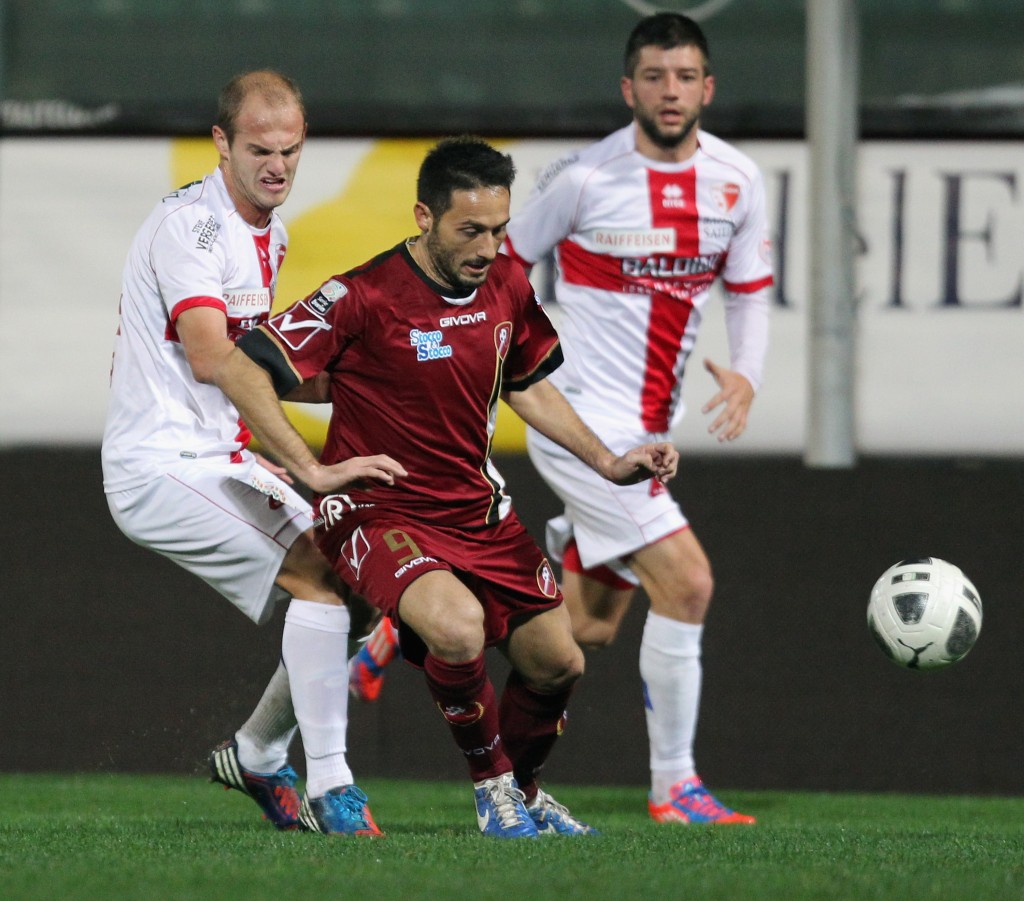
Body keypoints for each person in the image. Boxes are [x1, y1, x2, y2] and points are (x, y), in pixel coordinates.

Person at [352, 12, 769, 825]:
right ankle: (674, 787)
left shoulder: (738, 182)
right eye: (654, 76)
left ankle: (404, 625)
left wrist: (747, 375)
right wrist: (475, 357)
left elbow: (748, 289)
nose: (671, 90)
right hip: (580, 425)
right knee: (687, 580)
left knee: (584, 629)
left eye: (685, 76)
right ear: (629, 88)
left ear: (708, 87)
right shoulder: (583, 177)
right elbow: (494, 263)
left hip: (647, 430)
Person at [212, 135, 679, 838]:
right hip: (376, 510)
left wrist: (611, 461)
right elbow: (245, 367)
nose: (489, 247)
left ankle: (521, 790)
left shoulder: (506, 286)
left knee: (560, 661)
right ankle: (493, 795)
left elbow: (529, 387)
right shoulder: (361, 294)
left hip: (474, 512)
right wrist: (309, 469)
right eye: (470, 230)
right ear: (423, 216)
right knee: (458, 631)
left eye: (499, 228)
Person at [101, 70, 405, 837]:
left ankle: (259, 750)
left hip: (217, 453)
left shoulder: (269, 231)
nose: (278, 166)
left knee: (364, 581)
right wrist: (307, 465)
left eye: (291, 151)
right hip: (159, 463)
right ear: (222, 145)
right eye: (261, 150)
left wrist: (364, 388)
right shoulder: (193, 230)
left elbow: (262, 362)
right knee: (323, 570)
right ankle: (333, 785)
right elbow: (215, 359)